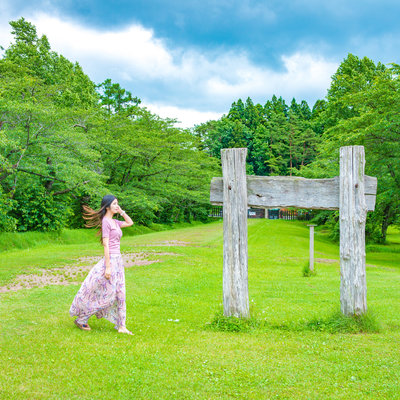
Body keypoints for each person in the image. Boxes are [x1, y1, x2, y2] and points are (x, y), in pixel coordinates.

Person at [70, 195, 134, 334]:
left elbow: (130, 222)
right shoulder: (106, 221)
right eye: (115, 204)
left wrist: (121, 211)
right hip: (110, 260)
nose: (117, 205)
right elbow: (105, 244)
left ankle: (121, 326)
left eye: (118, 203)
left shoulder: (115, 222)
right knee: (108, 297)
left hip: (118, 262)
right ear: (107, 207)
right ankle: (82, 319)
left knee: (121, 294)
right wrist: (108, 267)